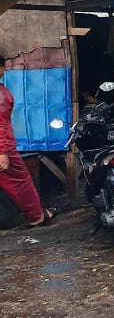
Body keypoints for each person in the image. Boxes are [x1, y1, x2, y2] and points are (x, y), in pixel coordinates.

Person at [0, 56, 55, 227]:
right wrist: (2, 152)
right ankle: (36, 217)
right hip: (4, 147)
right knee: (20, 181)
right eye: (3, 68)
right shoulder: (0, 94)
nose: (4, 71)